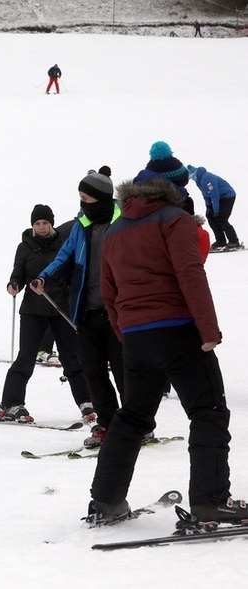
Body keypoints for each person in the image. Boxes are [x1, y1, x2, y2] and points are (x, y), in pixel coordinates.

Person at [87, 167, 247, 525]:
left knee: (132, 417)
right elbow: (190, 273)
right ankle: (211, 500)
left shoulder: (115, 231)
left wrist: (126, 334)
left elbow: (109, 292)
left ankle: (106, 500)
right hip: (178, 331)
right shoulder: (175, 220)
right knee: (208, 413)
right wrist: (208, 329)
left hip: (137, 338)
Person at [32, 167, 124, 449]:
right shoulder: (80, 225)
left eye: (86, 197)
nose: (82, 202)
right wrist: (45, 276)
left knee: (124, 372)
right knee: (93, 373)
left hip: (119, 313)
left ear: (100, 197)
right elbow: (65, 256)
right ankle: (107, 423)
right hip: (87, 312)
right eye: (80, 197)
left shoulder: (125, 223)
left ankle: (138, 425)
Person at [0, 205, 94, 424]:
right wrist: (14, 285)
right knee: (26, 357)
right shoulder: (25, 247)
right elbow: (18, 274)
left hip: (61, 309)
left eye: (45, 223)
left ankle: (87, 402)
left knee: (71, 358)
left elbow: (70, 272)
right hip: (33, 310)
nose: (41, 227)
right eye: (37, 224)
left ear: (52, 223)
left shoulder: (63, 244)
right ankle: (12, 403)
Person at [187, 164, 240, 251]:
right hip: (218, 198)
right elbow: (205, 194)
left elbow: (214, 195)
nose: (192, 179)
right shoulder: (199, 181)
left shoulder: (207, 178)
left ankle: (234, 241)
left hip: (227, 196)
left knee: (221, 219)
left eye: (192, 176)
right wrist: (208, 207)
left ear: (195, 173)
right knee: (210, 217)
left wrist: (216, 210)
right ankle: (220, 241)